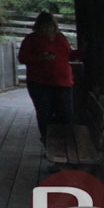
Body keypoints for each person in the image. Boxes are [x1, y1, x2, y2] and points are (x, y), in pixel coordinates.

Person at [18, 12, 79, 144]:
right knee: (45, 114)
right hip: (40, 83)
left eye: (51, 26)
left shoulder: (60, 38)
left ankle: (64, 144)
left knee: (66, 114)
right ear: (39, 27)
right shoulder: (31, 39)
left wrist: (82, 51)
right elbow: (22, 58)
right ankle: (49, 142)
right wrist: (41, 58)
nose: (49, 29)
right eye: (45, 27)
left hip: (63, 83)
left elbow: (69, 56)